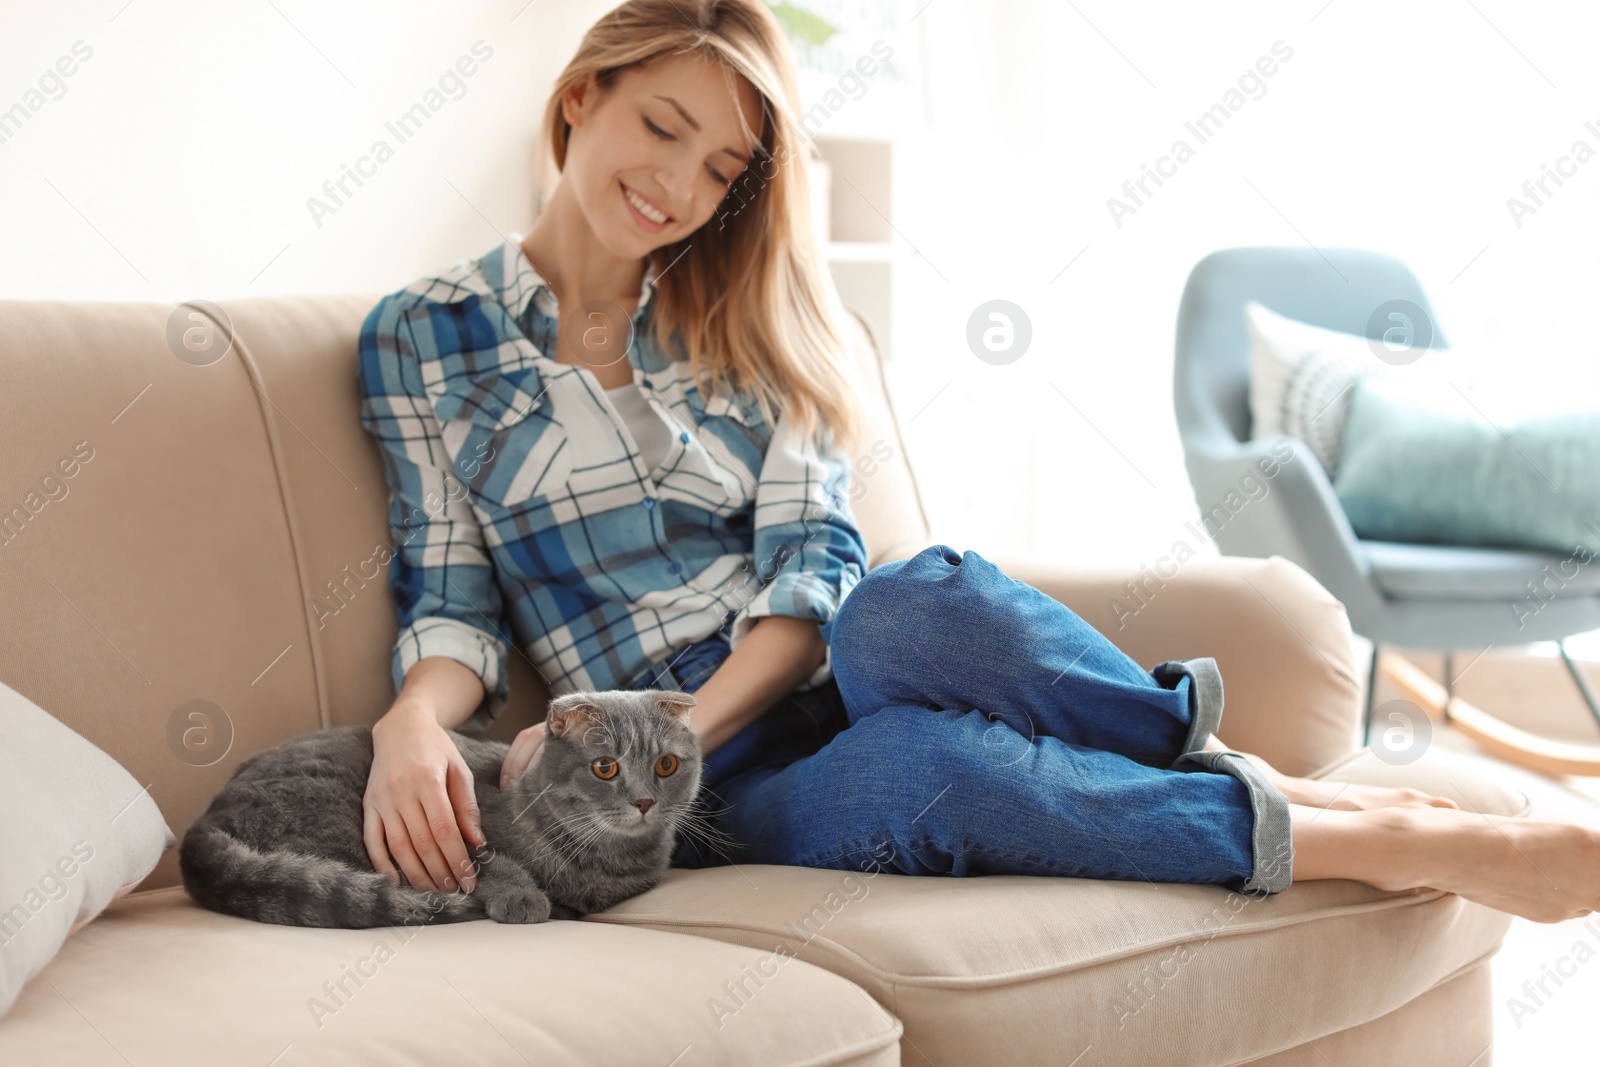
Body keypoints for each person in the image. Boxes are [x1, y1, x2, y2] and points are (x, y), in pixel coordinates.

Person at [354, 0, 1600, 925]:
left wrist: (707, 700)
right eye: (660, 127)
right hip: (684, 777)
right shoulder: (423, 336)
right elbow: (450, 591)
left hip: (814, 658)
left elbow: (810, 572)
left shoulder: (759, 321)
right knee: (933, 776)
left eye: (722, 167)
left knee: (916, 598)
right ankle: (1386, 837)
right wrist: (411, 725)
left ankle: (1201, 754)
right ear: (581, 96)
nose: (677, 185)